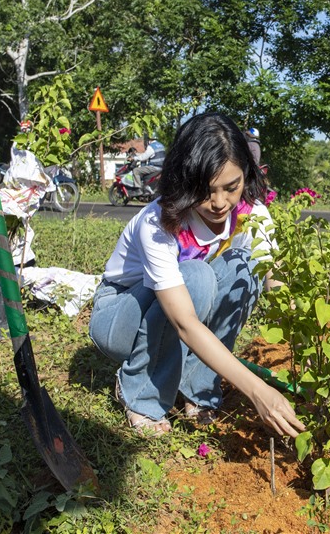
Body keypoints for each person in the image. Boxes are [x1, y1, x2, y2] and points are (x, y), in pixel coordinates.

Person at [88, 113, 304, 437]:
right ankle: (140, 394)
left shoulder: (254, 214)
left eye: (231, 187)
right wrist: (258, 391)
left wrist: (306, 341)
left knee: (245, 267)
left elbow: (275, 279)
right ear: (185, 179)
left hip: (180, 300)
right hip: (120, 315)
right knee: (198, 277)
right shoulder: (159, 221)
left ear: (246, 173)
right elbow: (185, 323)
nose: (220, 203)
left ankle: (197, 388)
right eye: (206, 190)